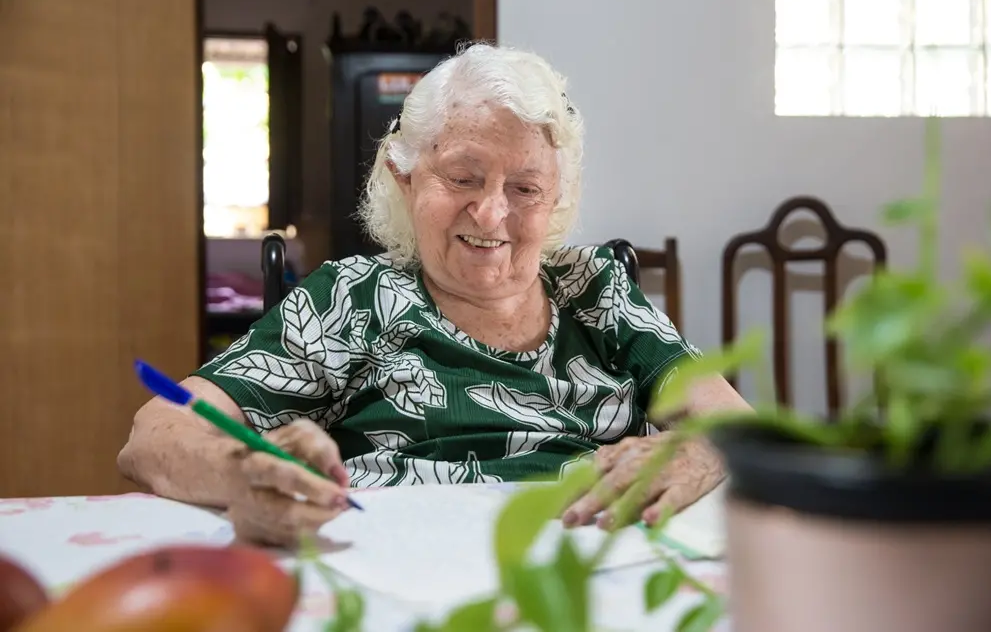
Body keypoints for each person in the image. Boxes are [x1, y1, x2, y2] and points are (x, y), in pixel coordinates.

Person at [117, 43, 752, 547]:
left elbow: (738, 427)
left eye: (525, 189)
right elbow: (156, 433)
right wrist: (244, 475)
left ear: (556, 197)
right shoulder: (352, 300)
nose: (491, 213)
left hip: (590, 572)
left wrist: (696, 451)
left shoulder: (597, 291)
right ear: (405, 177)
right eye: (463, 177)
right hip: (404, 568)